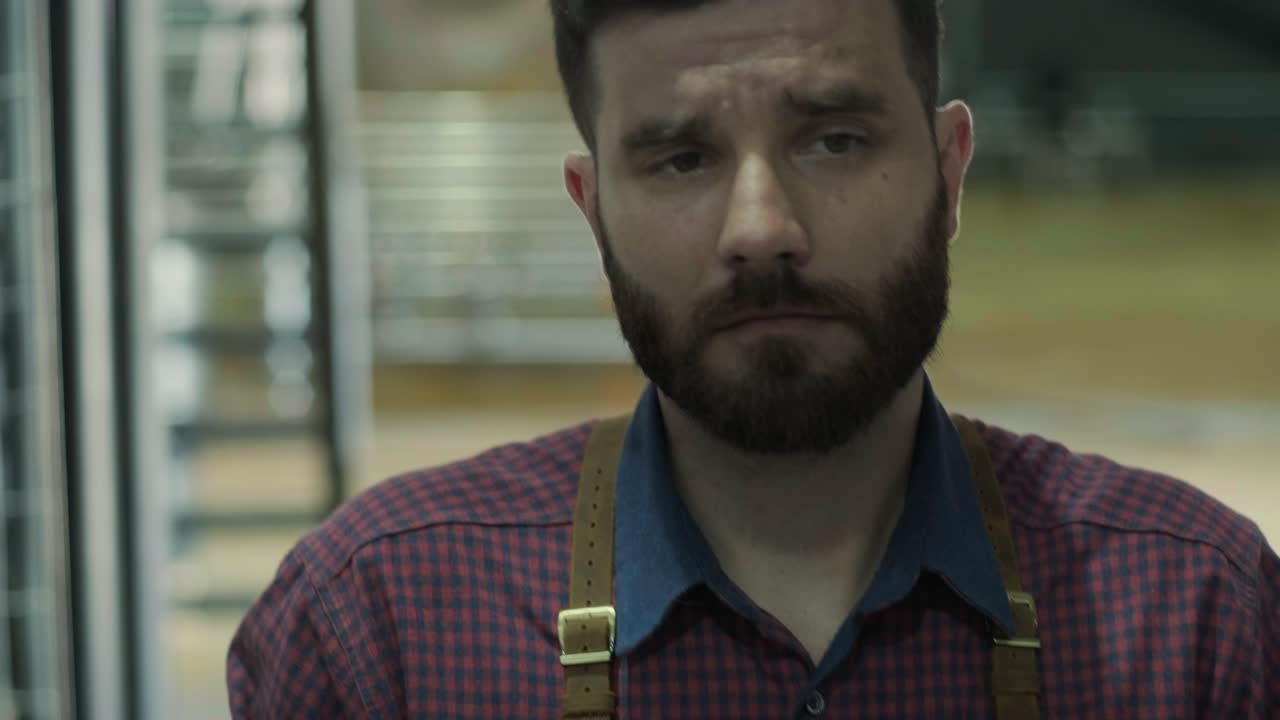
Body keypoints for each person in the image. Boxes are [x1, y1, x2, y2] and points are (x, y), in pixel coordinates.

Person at [227, 0, 1279, 717]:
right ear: (594, 215)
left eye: (833, 139)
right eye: (681, 158)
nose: (762, 229)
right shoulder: (383, 630)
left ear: (948, 173)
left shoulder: (1192, 618)